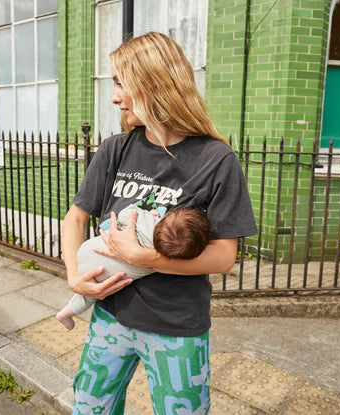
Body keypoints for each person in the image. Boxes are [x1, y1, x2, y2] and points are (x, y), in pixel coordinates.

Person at [60, 32, 257, 414]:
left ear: (154, 84)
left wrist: (143, 256)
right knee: (89, 409)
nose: (115, 97)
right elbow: (76, 216)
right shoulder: (116, 148)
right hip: (110, 316)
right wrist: (73, 277)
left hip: (176, 326)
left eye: (121, 84)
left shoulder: (216, 159)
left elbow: (222, 258)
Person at [56, 204, 211, 330]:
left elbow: (127, 213)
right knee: (90, 294)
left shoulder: (149, 223)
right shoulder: (163, 262)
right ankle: (67, 313)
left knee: (89, 287)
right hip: (104, 276)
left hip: (89, 251)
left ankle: (65, 312)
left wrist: (151, 213)